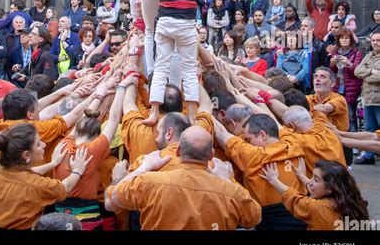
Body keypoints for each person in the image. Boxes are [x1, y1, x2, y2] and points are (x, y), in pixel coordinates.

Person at [105, 126, 261, 230]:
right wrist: (227, 180)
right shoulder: (231, 193)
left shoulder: (148, 182)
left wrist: (142, 168)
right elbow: (255, 217)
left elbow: (111, 200)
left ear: (178, 151)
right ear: (211, 155)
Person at [141, 0, 206, 125]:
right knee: (189, 68)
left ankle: (153, 113)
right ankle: (193, 116)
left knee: (161, 67)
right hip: (186, 24)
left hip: (165, 23)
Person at [53, 74, 136, 229]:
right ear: (97, 135)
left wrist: (100, 93)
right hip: (86, 219)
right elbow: (114, 118)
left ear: (76, 130)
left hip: (60, 217)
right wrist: (121, 88)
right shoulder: (92, 150)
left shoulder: (63, 144)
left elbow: (80, 120)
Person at [0, 124, 93, 229]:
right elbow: (65, 187)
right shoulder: (36, 186)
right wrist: (77, 171)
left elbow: (23, 177)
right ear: (26, 155)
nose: (44, 145)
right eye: (38, 144)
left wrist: (53, 163)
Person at [213, 113, 308, 230]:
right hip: (304, 220)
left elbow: (220, 133)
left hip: (272, 225)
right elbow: (277, 125)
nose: (246, 143)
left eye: (248, 139)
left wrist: (203, 111)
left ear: (263, 135)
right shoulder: (294, 144)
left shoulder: (253, 155)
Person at [260, 159, 369, 230]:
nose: (310, 182)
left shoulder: (318, 208)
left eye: (316, 179)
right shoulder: (352, 201)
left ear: (330, 188)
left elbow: (295, 198)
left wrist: (274, 180)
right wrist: (301, 175)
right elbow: (314, 186)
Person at [353, 32, 380, 164]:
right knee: (370, 129)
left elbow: (379, 77)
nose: (375, 43)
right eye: (373, 40)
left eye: (378, 40)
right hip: (368, 98)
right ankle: (369, 155)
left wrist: (366, 76)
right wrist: (370, 71)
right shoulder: (369, 56)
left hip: (379, 100)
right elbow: (357, 71)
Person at [328, 29, 363, 131]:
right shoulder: (335, 52)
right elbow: (332, 70)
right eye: (342, 38)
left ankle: (353, 141)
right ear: (338, 40)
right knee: (337, 113)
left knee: (351, 115)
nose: (344, 40)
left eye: (346, 38)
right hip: (337, 86)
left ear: (351, 40)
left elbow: (357, 72)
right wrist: (333, 63)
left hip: (350, 87)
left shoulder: (357, 53)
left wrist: (348, 63)